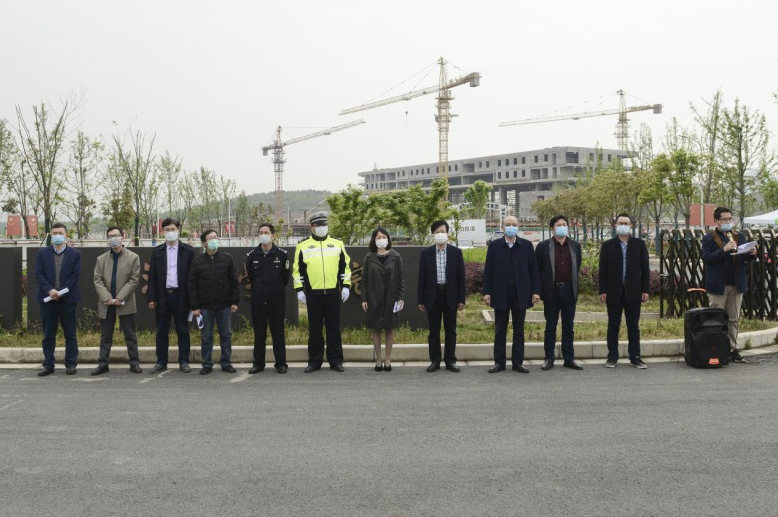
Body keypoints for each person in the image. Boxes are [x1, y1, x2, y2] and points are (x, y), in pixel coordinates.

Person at [292, 212, 352, 373]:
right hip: (313, 294)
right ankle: (314, 361)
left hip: (333, 292)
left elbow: (344, 267)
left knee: (334, 328)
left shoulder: (337, 244)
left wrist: (346, 286)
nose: (322, 228)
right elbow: (298, 271)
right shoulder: (303, 246)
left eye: (324, 225)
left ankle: (336, 360)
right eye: (318, 225)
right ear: (312, 228)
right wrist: (299, 290)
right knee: (315, 329)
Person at [482, 215, 540, 374]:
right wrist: (487, 292)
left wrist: (535, 291)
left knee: (519, 330)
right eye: (508, 224)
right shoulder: (494, 246)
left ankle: (518, 362)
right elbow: (488, 271)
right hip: (500, 293)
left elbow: (533, 270)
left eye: (514, 224)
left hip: (521, 293)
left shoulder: (527, 246)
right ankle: (499, 362)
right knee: (500, 330)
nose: (511, 227)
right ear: (502, 227)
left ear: (518, 227)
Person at [701, 206, 757, 363]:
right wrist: (724, 250)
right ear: (716, 221)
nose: (727, 222)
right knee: (716, 319)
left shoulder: (739, 236)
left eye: (730, 219)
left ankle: (733, 349)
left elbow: (744, 258)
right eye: (724, 219)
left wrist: (751, 254)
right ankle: (715, 349)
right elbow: (707, 258)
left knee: (734, 319)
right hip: (718, 285)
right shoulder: (709, 238)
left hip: (736, 284)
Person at [598, 213, 650, 369]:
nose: (623, 226)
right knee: (613, 325)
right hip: (613, 292)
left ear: (631, 225)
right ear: (615, 225)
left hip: (634, 292)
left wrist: (645, 290)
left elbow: (645, 269)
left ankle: (635, 357)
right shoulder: (607, 245)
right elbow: (602, 271)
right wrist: (602, 290)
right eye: (620, 223)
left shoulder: (639, 244)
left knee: (633, 326)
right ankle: (612, 356)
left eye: (626, 223)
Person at [147, 218, 195, 373]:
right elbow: (152, 277)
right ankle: (161, 362)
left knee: (182, 330)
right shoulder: (157, 252)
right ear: (163, 232)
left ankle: (184, 361)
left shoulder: (188, 251)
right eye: (167, 230)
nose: (170, 232)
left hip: (182, 296)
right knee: (162, 331)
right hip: (163, 297)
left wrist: (193, 300)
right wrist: (151, 298)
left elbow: (193, 277)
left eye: (173, 229)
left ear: (178, 230)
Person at [535, 215, 583, 371]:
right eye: (558, 225)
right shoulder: (543, 246)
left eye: (564, 224)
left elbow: (577, 266)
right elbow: (538, 270)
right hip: (551, 291)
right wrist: (538, 291)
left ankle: (569, 358)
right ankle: (549, 358)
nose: (562, 227)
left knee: (568, 326)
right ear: (552, 228)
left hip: (569, 290)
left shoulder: (575, 246)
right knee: (551, 326)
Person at [91, 227, 142, 375]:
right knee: (106, 336)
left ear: (122, 236)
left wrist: (120, 297)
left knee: (130, 335)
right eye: (110, 236)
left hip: (125, 302)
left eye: (116, 235)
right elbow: (97, 280)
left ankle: (134, 363)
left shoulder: (133, 257)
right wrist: (107, 297)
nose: (113, 238)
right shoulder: (101, 259)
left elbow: (134, 279)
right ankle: (103, 364)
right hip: (106, 303)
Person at [417, 220, 466, 373]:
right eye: (437, 232)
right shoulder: (426, 254)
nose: (440, 234)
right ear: (433, 234)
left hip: (450, 295)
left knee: (451, 330)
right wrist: (420, 300)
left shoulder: (456, 253)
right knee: (434, 331)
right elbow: (422, 278)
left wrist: (461, 299)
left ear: (447, 233)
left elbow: (461, 277)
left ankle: (450, 360)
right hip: (432, 295)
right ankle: (435, 360)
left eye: (442, 231)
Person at [189, 230, 239, 374]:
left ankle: (226, 362)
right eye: (211, 238)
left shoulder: (227, 259)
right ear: (204, 243)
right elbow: (192, 285)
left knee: (226, 335)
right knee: (206, 337)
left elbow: (234, 282)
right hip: (205, 307)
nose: (214, 240)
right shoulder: (197, 261)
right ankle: (207, 364)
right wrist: (195, 306)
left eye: (216, 237)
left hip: (224, 305)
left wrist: (234, 301)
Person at [34, 223, 81, 376]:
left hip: (68, 299)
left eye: (60, 233)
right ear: (50, 235)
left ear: (66, 235)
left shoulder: (75, 254)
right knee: (48, 334)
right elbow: (38, 274)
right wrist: (50, 290)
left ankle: (71, 364)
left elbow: (75, 275)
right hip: (48, 299)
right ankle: (48, 365)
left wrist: (61, 292)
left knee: (70, 334)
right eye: (54, 233)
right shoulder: (42, 253)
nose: (57, 236)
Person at [246, 223, 290, 374]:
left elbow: (285, 278)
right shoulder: (252, 255)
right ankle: (258, 363)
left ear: (273, 235)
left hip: (276, 300)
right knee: (259, 333)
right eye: (261, 232)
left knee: (278, 332)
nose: (263, 235)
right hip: (258, 300)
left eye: (266, 232)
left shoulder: (282, 255)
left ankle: (281, 364)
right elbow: (251, 277)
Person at [361, 228, 405, 372]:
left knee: (389, 328)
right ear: (374, 240)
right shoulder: (369, 257)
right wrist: (364, 299)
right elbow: (364, 280)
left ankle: (387, 359)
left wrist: (400, 298)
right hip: (374, 298)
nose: (381, 239)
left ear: (388, 239)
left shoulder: (396, 256)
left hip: (391, 299)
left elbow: (401, 280)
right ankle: (378, 359)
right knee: (376, 328)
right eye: (378, 237)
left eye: (384, 236)